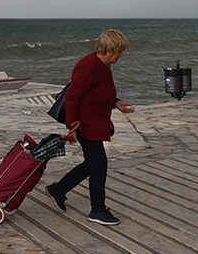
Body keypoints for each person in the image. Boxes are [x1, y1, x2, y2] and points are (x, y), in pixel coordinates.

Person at [45, 29, 133, 226]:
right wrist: (72, 127)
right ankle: (97, 210)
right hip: (85, 124)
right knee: (99, 164)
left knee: (93, 163)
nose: (121, 55)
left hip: (93, 122)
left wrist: (116, 102)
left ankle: (58, 190)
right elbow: (72, 97)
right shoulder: (89, 66)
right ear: (109, 49)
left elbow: (98, 92)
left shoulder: (102, 65)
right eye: (119, 51)